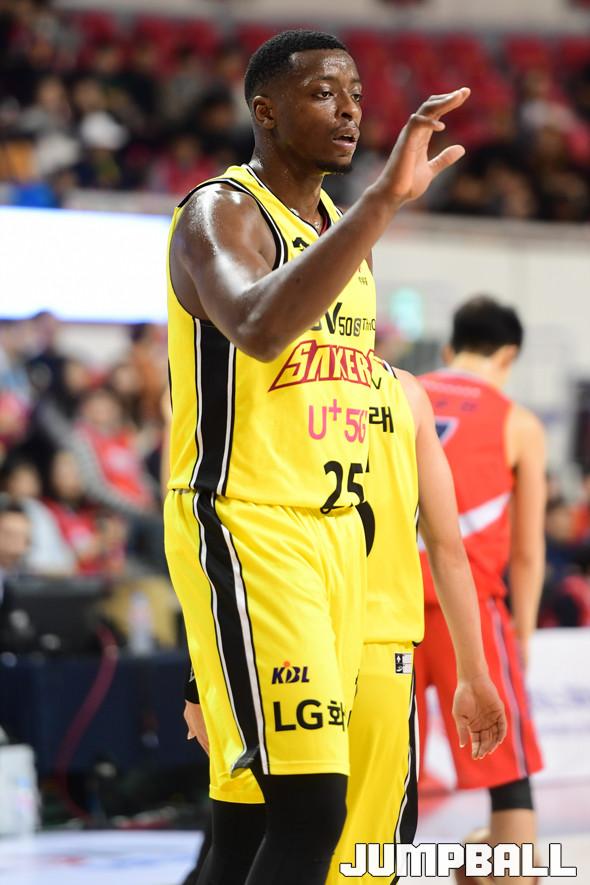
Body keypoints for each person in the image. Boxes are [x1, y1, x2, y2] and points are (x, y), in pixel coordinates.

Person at [166, 28, 470, 885]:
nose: (349, 112)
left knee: (249, 818)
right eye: (323, 93)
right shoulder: (220, 212)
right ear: (265, 111)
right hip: (248, 521)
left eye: (356, 96)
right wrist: (385, 201)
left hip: (335, 538)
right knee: (311, 811)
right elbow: (258, 327)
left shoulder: (341, 233)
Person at [182, 355, 506, 885]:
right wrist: (474, 672)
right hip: (378, 653)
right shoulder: (407, 393)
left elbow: (221, 534)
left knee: (241, 848)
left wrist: (201, 675)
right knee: (359, 865)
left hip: (273, 641)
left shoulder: (271, 374)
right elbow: (448, 550)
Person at [415, 296, 546, 885]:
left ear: (450, 349)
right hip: (468, 611)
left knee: (375, 790)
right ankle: (482, 859)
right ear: (509, 355)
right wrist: (523, 635)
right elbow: (527, 551)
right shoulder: (518, 422)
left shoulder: (402, 392)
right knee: (511, 809)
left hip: (383, 609)